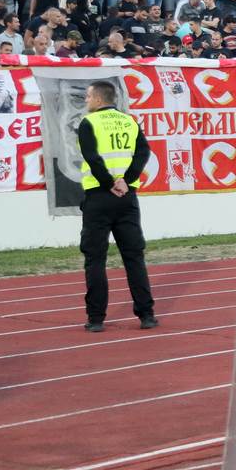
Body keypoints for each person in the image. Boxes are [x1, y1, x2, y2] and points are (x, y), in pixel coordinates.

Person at [76, 81, 156, 332]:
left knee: (95, 259)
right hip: (127, 197)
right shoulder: (130, 121)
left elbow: (92, 157)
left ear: (99, 99)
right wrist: (126, 180)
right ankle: (146, 315)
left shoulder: (88, 123)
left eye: (88, 96)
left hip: (99, 197)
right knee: (134, 257)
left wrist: (109, 182)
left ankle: (96, 318)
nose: (86, 100)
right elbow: (144, 153)